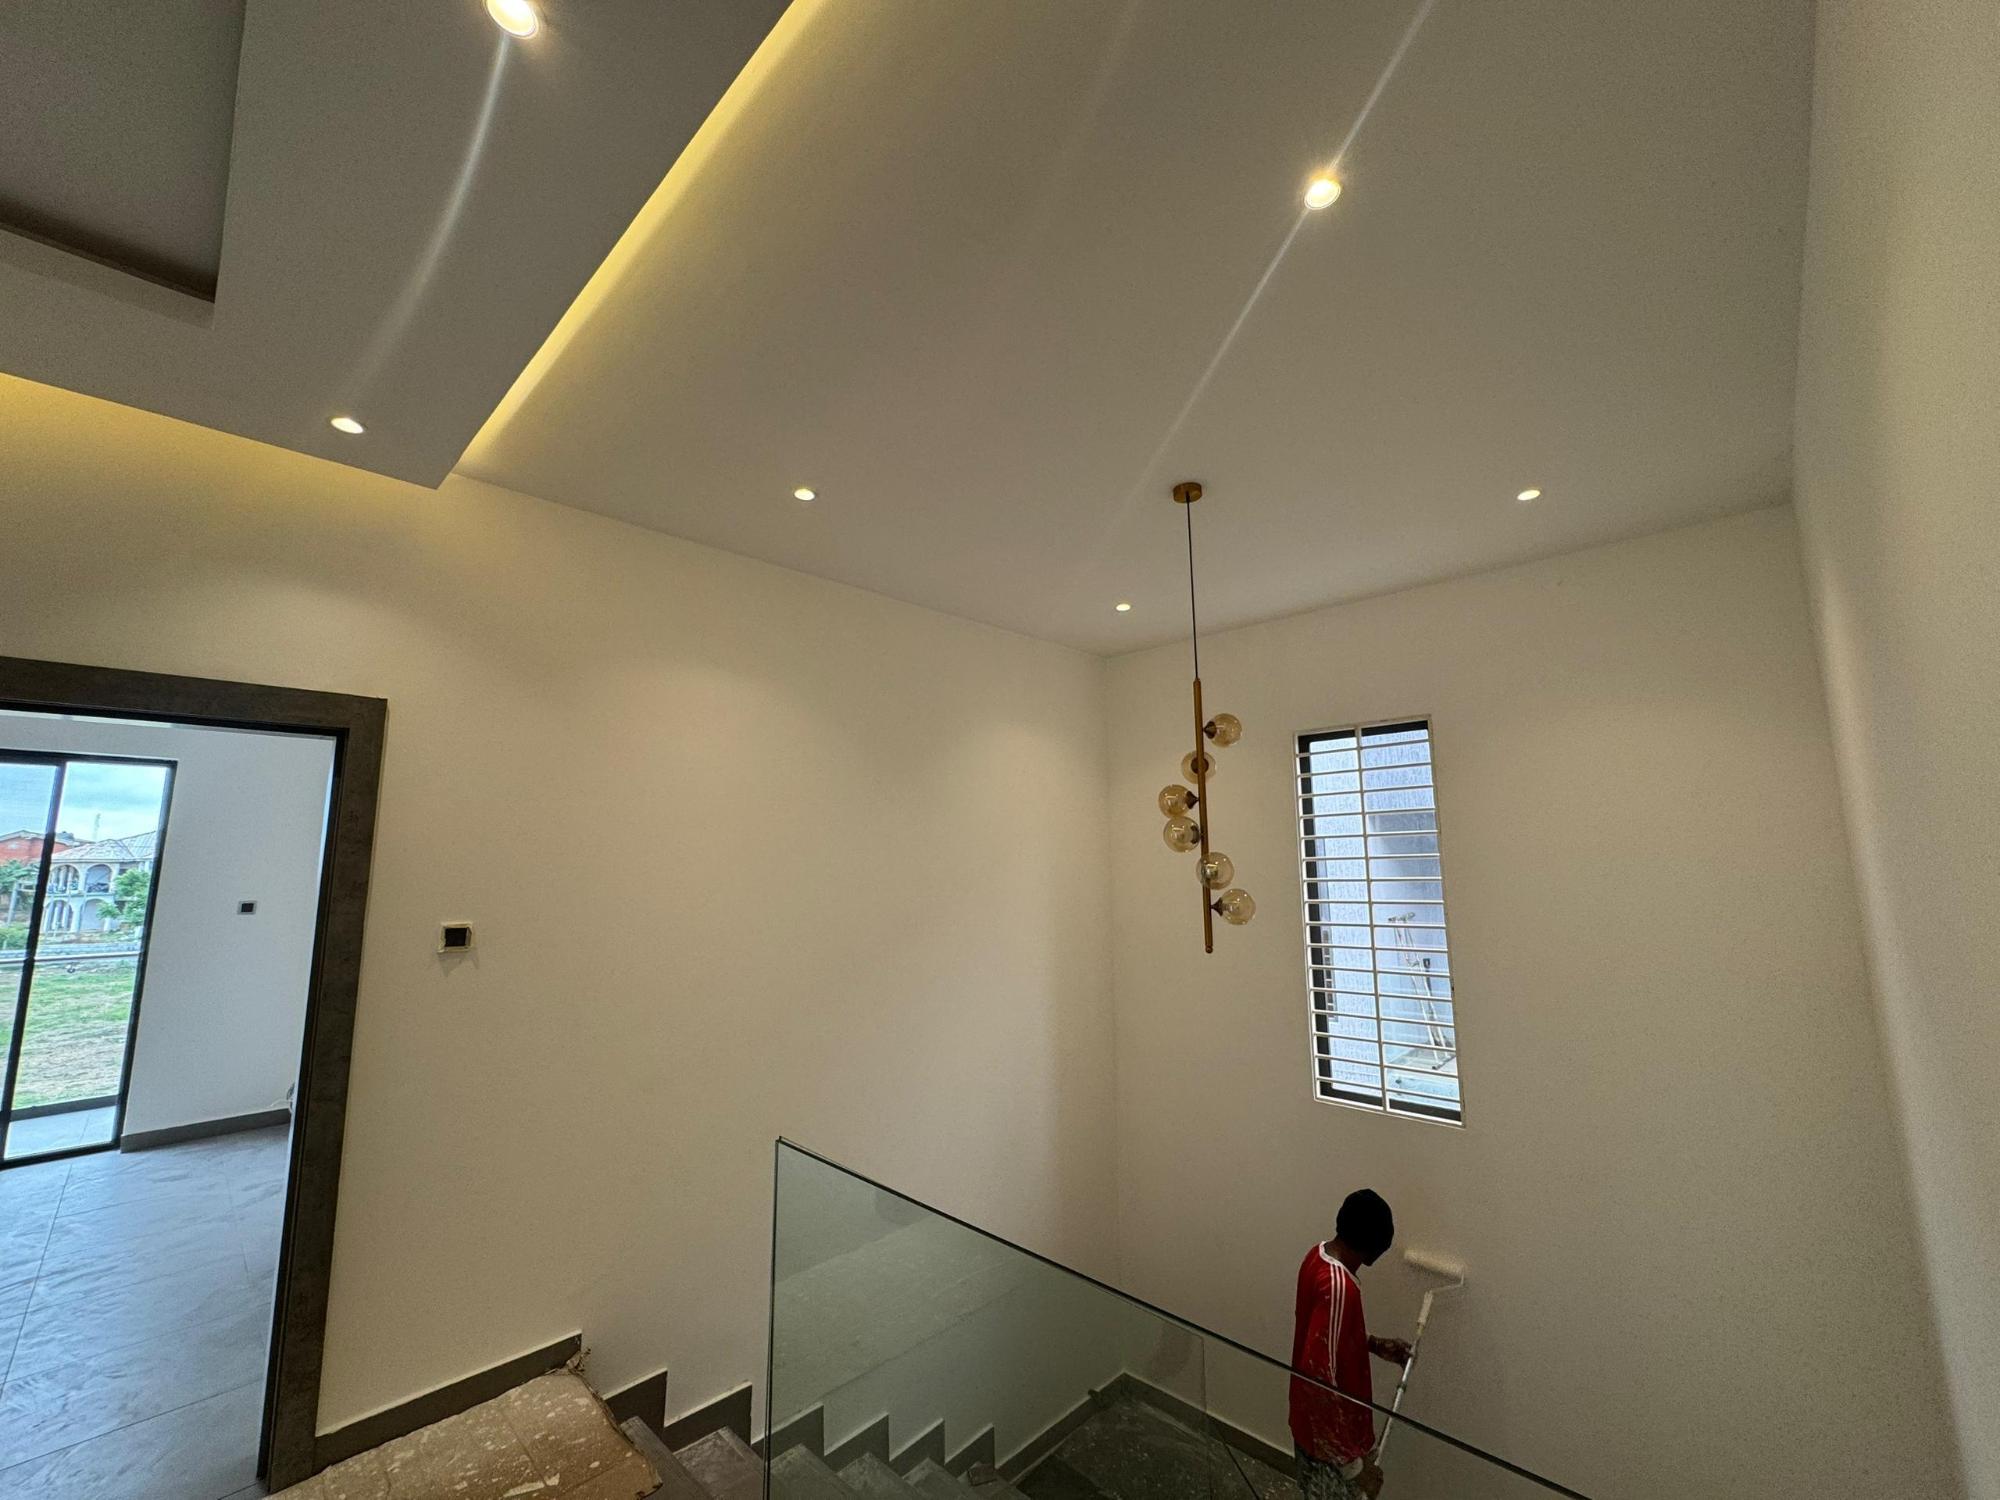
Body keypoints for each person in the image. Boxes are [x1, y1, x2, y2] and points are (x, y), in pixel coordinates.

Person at [1289, 1189, 1412, 1500]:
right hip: (1328, 1450)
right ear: (1373, 1251)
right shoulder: (1339, 1287)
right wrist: (1355, 1468)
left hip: (1312, 1434)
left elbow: (1323, 1339)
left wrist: (1373, 1344)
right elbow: (1317, 1379)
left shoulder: (1317, 1256)